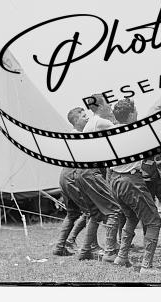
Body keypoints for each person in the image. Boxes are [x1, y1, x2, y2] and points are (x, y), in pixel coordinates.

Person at [109, 99, 161, 275]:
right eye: (136, 111)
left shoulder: (110, 132)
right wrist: (158, 105)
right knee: (154, 221)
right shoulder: (134, 132)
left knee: (131, 217)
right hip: (131, 181)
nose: (138, 114)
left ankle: (121, 257)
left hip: (115, 180)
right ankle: (146, 266)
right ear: (131, 114)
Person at [63, 101, 122, 262]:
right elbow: (123, 129)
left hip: (80, 174)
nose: (86, 117)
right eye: (83, 116)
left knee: (94, 213)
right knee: (114, 210)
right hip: (91, 173)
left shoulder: (87, 127)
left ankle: (85, 250)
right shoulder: (98, 122)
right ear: (101, 107)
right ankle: (110, 252)